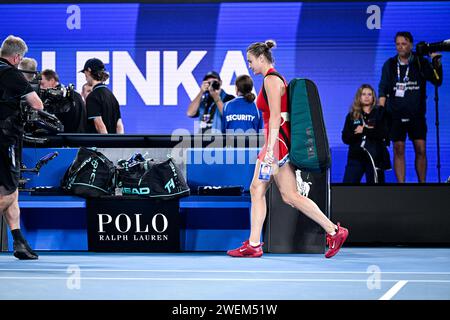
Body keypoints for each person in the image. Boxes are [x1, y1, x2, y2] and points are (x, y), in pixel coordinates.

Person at [227, 40, 348, 259]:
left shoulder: (271, 80)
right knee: (289, 195)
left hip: (276, 144)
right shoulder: (272, 79)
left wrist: (271, 150)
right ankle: (334, 231)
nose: (249, 66)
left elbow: (275, 116)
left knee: (257, 189)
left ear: (261, 58)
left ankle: (254, 244)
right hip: (276, 143)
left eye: (251, 61)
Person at [0, 35, 44, 260]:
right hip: (6, 139)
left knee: (12, 192)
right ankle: (18, 239)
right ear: (16, 57)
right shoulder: (10, 73)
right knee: (8, 192)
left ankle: (18, 240)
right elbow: (37, 103)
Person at [378, 31, 442, 183]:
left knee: (420, 150)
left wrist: (436, 61)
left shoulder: (420, 62)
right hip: (395, 115)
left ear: (411, 45)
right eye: (398, 44)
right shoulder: (390, 64)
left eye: (404, 44)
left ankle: (422, 184)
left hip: (416, 115)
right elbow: (383, 89)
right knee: (398, 149)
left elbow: (436, 81)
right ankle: (401, 186)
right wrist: (380, 113)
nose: (400, 47)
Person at [342, 84, 391, 184]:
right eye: (363, 94)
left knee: (377, 192)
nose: (367, 97)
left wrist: (364, 131)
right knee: (348, 187)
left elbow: (384, 133)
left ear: (373, 97)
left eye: (369, 94)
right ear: (359, 97)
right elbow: (345, 138)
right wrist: (356, 133)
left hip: (375, 158)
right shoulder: (352, 116)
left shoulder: (380, 114)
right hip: (356, 158)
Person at [79, 58, 124, 134]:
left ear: (89, 71)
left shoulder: (92, 97)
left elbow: (99, 125)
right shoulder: (112, 96)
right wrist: (118, 144)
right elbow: (119, 126)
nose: (85, 77)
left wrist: (106, 144)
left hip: (99, 144)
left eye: (85, 73)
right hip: (113, 144)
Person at [40, 69, 87, 133]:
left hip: (65, 138)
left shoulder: (55, 98)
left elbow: (55, 123)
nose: (40, 88)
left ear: (52, 81)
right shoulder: (76, 94)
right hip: (80, 137)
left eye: (42, 84)